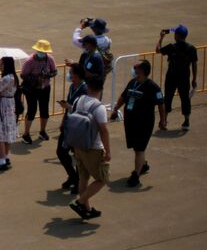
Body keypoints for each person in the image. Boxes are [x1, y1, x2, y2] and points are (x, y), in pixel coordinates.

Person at [111, 59, 166, 187]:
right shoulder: (132, 82)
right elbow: (124, 97)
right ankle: (143, 164)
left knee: (139, 148)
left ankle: (135, 175)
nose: (134, 68)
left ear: (142, 70)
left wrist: (163, 120)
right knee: (136, 148)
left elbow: (161, 104)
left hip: (144, 123)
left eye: (136, 66)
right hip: (130, 121)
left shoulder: (152, 87)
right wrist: (115, 109)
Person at [68, 76, 111, 220]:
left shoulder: (78, 100)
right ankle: (80, 202)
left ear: (88, 87)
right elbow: (104, 131)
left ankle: (86, 209)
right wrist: (108, 151)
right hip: (93, 147)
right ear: (101, 89)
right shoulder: (99, 108)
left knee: (83, 177)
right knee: (102, 179)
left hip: (78, 144)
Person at [157, 25, 198, 130]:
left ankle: (164, 121)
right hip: (184, 77)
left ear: (177, 35)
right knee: (185, 98)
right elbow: (194, 64)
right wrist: (194, 79)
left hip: (171, 76)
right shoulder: (192, 48)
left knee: (168, 98)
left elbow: (158, 50)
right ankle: (186, 121)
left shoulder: (171, 47)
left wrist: (161, 38)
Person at [57, 63, 88, 193]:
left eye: (71, 72)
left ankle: (78, 181)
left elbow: (84, 108)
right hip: (69, 124)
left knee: (77, 155)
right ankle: (73, 176)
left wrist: (69, 107)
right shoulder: (72, 86)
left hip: (79, 126)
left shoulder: (85, 89)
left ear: (77, 75)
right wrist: (63, 120)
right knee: (61, 152)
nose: (69, 75)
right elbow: (69, 105)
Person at [20, 40, 57, 144]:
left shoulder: (49, 59)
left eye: (44, 51)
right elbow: (23, 75)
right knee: (32, 110)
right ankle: (26, 134)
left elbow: (55, 71)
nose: (42, 53)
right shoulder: (29, 61)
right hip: (32, 89)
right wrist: (36, 78)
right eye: (40, 51)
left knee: (44, 110)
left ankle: (42, 131)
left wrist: (47, 75)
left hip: (45, 88)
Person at [0, 56, 19, 170]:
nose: (0, 66)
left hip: (4, 106)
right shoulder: (12, 77)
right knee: (7, 132)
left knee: (0, 133)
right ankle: (5, 157)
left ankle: (2, 160)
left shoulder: (7, 78)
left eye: (2, 64)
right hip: (9, 104)